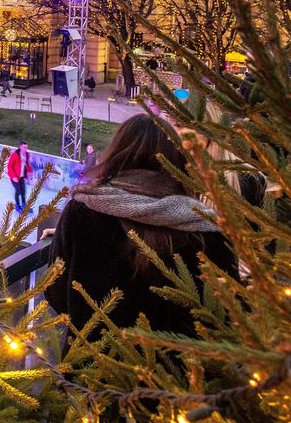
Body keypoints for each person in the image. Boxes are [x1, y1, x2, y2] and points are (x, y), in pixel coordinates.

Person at [45, 114, 239, 338]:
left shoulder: (83, 210)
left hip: (93, 360)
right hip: (179, 368)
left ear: (117, 152)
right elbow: (228, 311)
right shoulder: (204, 225)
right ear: (174, 158)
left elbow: (56, 291)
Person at [7, 141, 34, 213]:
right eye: (24, 147)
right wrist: (13, 176)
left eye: (26, 147)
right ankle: (17, 206)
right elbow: (9, 166)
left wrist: (30, 171)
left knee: (23, 192)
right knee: (18, 191)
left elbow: (27, 164)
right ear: (20, 147)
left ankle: (24, 206)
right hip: (15, 177)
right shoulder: (15, 155)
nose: (26, 149)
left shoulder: (27, 155)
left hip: (21, 177)